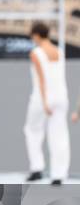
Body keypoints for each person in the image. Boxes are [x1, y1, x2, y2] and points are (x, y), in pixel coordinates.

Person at [24, 21, 70, 185]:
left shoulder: (36, 52)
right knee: (59, 135)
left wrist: (44, 102)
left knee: (32, 131)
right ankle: (59, 173)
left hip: (42, 97)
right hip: (61, 97)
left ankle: (37, 168)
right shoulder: (59, 51)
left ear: (36, 35)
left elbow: (42, 79)